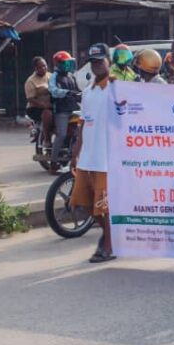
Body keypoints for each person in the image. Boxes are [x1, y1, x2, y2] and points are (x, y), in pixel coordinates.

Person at [71, 43, 116, 263]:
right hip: (87, 157)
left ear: (109, 61)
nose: (97, 65)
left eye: (100, 61)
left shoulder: (117, 89)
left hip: (106, 159)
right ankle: (109, 236)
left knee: (103, 207)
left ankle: (109, 245)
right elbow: (82, 123)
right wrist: (76, 150)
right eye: (93, 62)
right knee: (83, 202)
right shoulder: (88, 91)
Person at [47, 50, 81, 171]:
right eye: (65, 63)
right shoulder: (54, 76)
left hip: (74, 109)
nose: (68, 66)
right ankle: (53, 162)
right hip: (62, 110)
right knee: (61, 135)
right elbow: (53, 90)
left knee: (82, 132)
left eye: (69, 63)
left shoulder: (71, 76)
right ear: (58, 64)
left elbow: (77, 90)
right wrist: (66, 93)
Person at [24, 57, 52, 145]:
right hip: (35, 108)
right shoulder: (30, 81)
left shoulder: (51, 76)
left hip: (51, 105)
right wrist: (43, 105)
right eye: (41, 67)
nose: (43, 68)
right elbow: (30, 99)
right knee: (47, 114)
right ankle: (47, 139)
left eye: (45, 66)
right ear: (36, 68)